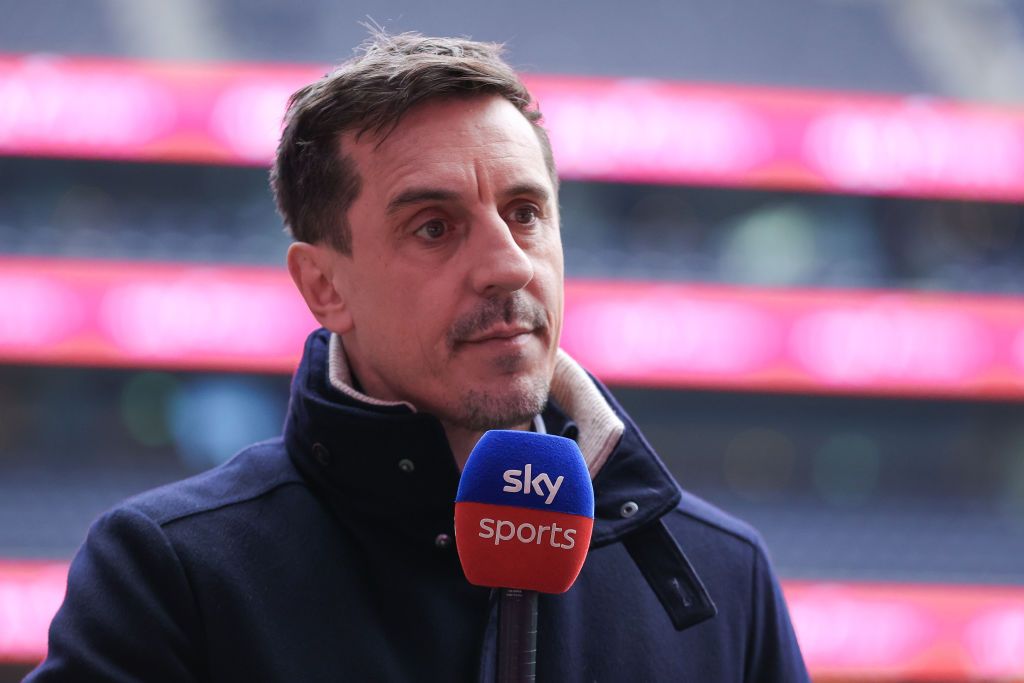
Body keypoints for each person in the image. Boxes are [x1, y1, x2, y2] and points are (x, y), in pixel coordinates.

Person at [28, 32, 809, 682]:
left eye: (526, 212)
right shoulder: (171, 574)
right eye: (434, 226)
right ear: (325, 285)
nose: (508, 265)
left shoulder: (722, 575)